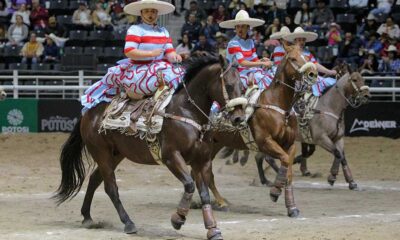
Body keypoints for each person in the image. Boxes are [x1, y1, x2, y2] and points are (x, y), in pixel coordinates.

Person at [81, 0, 184, 112]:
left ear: (157, 13)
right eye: (147, 11)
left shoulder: (164, 31)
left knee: (182, 74)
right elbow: (129, 51)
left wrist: (175, 56)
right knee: (162, 80)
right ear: (141, 13)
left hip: (159, 67)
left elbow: (169, 52)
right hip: (139, 69)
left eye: (153, 11)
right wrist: (151, 54)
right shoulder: (136, 30)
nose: (150, 14)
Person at [219, 10, 273, 91]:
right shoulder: (233, 43)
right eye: (238, 26)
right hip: (236, 73)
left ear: (248, 27)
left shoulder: (250, 41)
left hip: (250, 70)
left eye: (243, 26)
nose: (240, 29)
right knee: (258, 78)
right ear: (235, 28)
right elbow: (242, 63)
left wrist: (261, 60)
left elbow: (254, 59)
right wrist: (262, 63)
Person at [283, 27, 337, 96]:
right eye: (299, 40)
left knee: (332, 83)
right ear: (295, 41)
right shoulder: (290, 53)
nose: (302, 42)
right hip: (297, 79)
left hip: (311, 77)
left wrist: (330, 72)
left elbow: (316, 65)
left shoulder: (307, 53)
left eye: (303, 40)